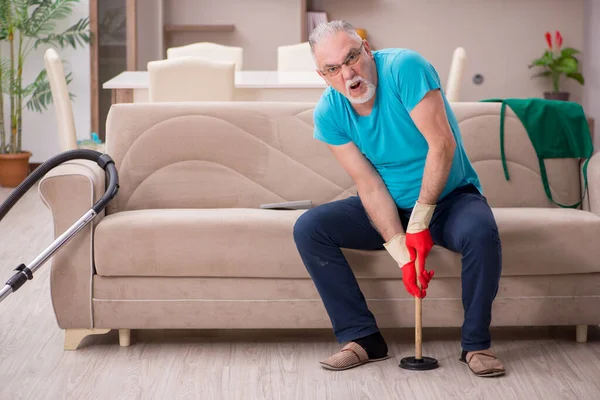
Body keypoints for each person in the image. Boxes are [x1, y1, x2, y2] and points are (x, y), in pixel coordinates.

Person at [292, 21, 505, 377]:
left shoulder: (405, 68)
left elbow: (442, 145)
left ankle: (476, 345)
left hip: (450, 200)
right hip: (390, 203)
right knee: (310, 228)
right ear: (322, 75)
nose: (348, 73)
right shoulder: (329, 114)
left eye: (352, 58)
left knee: (481, 232)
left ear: (367, 49)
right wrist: (401, 253)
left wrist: (420, 221)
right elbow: (368, 183)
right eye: (333, 69)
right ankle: (363, 338)